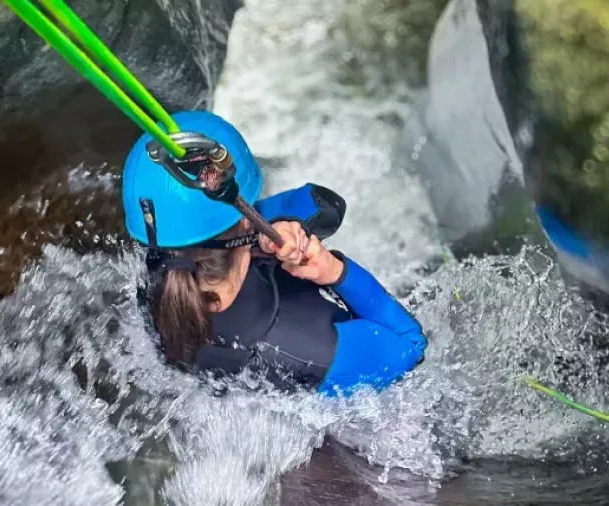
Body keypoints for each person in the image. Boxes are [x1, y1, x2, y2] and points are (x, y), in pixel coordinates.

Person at [122, 110, 427, 396]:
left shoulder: (154, 269)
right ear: (244, 219)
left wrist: (277, 228)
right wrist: (333, 270)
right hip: (329, 390)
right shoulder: (311, 347)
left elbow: (316, 207)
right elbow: (412, 346)